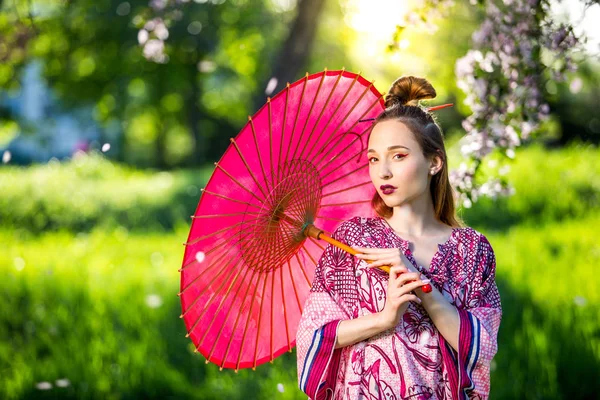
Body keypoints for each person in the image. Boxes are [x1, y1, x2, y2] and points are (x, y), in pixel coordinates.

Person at [296, 76, 502, 400]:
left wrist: (424, 287)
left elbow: (481, 345)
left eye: (398, 156)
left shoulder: (471, 251)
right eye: (374, 159)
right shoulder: (353, 241)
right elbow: (313, 334)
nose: (383, 172)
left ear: (434, 162)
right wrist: (385, 318)